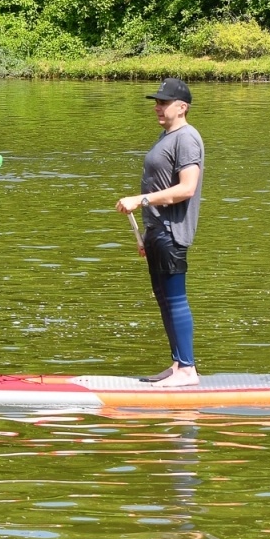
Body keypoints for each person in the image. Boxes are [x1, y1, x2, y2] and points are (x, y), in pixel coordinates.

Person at [115, 77, 205, 388]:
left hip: (172, 232)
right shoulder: (166, 136)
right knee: (164, 299)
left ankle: (188, 370)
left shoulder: (187, 138)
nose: (158, 107)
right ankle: (179, 363)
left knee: (175, 299)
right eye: (156, 102)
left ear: (182, 108)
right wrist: (148, 233)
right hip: (157, 232)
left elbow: (187, 188)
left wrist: (140, 200)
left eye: (164, 103)